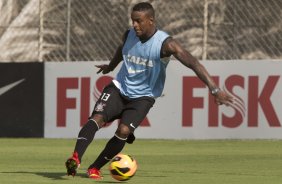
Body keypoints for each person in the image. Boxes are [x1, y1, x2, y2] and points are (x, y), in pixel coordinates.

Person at [65, 2, 234, 180]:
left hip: (143, 97)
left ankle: (95, 168)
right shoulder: (129, 35)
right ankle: (75, 158)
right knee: (96, 119)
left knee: (123, 131)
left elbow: (193, 63)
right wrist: (110, 66)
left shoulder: (165, 44)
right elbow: (122, 50)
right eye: (133, 20)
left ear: (151, 21)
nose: (134, 25)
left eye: (138, 21)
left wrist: (214, 89)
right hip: (119, 87)